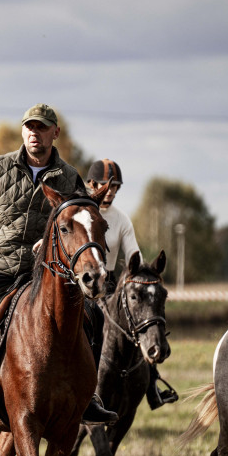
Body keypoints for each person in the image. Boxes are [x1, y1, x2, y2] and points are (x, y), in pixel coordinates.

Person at [0, 103, 118, 430]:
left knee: (94, 317)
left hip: (44, 269)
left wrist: (55, 239)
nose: (34, 133)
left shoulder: (69, 176)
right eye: (29, 127)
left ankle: (89, 398)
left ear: (54, 133)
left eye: (41, 128)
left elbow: (81, 220)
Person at [85, 159, 176, 410]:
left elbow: (134, 255)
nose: (111, 191)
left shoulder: (122, 219)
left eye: (116, 187)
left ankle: (152, 384)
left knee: (138, 322)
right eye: (106, 185)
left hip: (111, 284)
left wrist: (143, 277)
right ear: (91, 184)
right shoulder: (81, 211)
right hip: (79, 285)